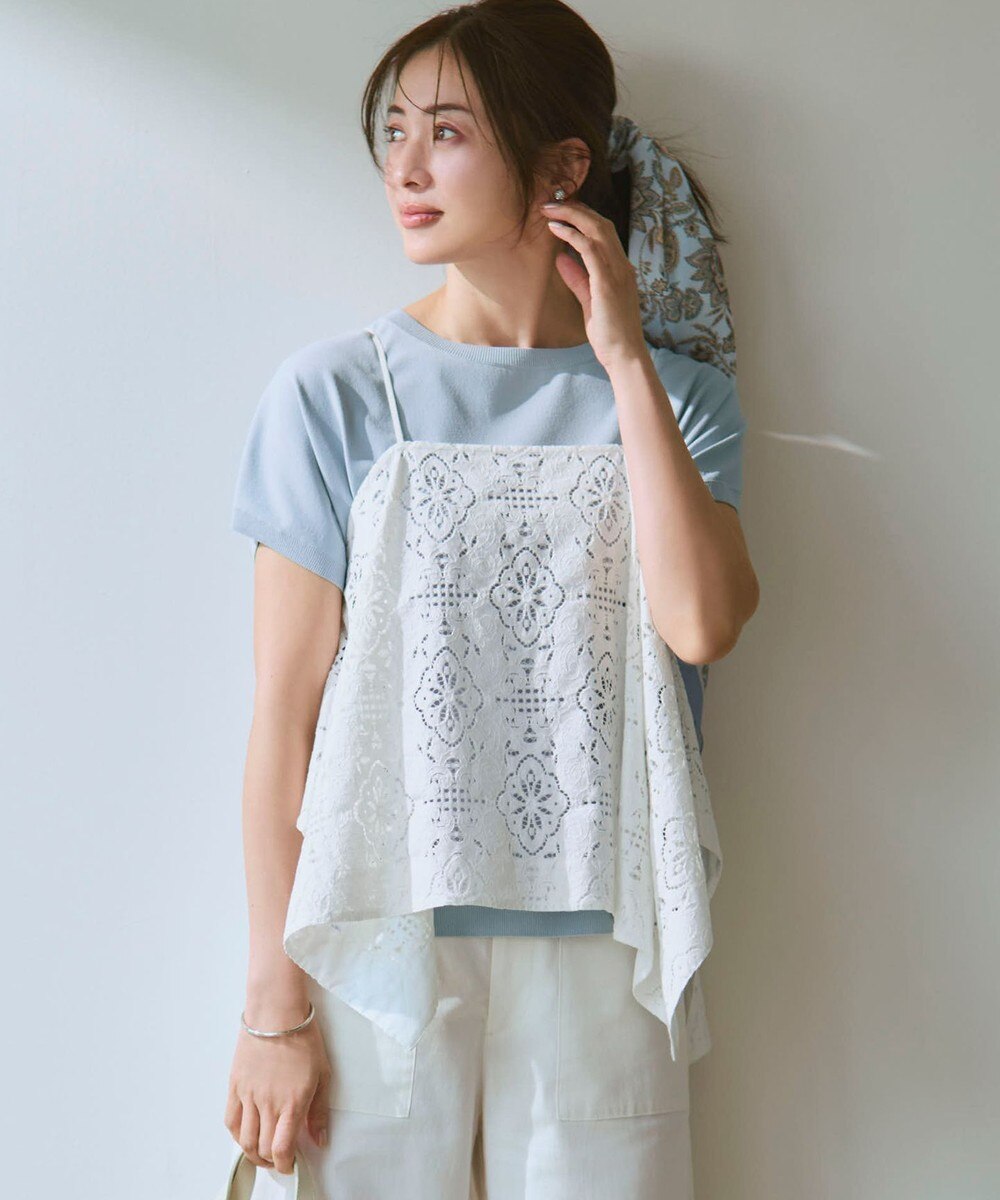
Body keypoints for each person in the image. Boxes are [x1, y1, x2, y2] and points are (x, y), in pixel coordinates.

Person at [223, 2, 759, 1197]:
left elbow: (703, 624)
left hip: (606, 947)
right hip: (379, 946)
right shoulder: (333, 396)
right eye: (394, 130)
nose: (405, 167)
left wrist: (624, 359)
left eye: (448, 131)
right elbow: (285, 725)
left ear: (562, 165)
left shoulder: (677, 398)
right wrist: (272, 1008)